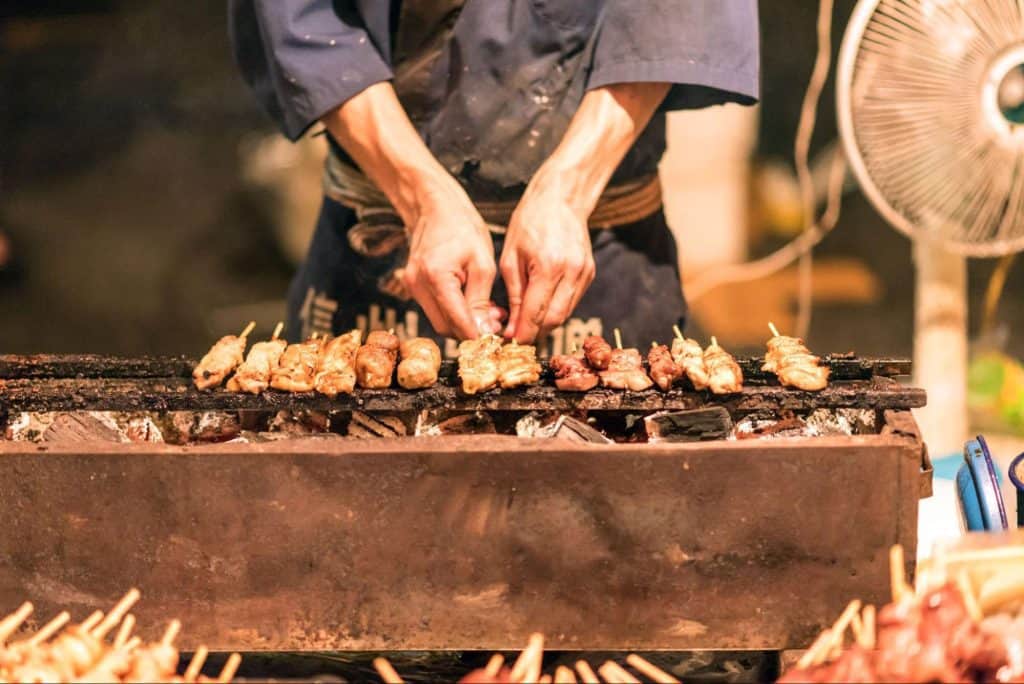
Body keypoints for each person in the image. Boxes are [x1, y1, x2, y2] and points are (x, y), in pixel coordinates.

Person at [229, 1, 759, 355]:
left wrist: (568, 189)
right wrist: (420, 196)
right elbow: (302, 17)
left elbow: (675, 14)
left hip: (602, 248)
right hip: (377, 243)